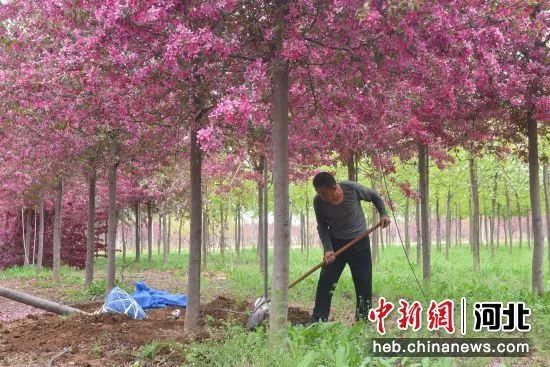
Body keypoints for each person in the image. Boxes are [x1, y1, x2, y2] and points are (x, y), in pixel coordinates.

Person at [309, 171, 391, 323]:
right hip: (335, 245)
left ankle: (362, 321)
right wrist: (328, 249)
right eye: (318, 193)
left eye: (324, 193)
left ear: (335, 188)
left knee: (363, 283)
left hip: (359, 242)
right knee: (326, 282)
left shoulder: (351, 189)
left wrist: (383, 214)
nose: (321, 196)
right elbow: (322, 226)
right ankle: (317, 321)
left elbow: (374, 196)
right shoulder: (319, 201)